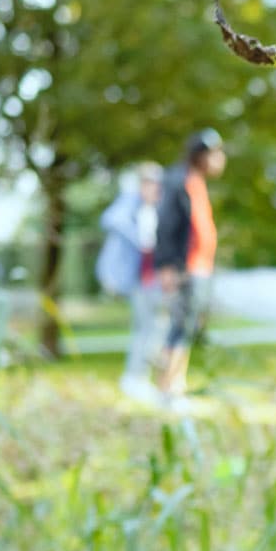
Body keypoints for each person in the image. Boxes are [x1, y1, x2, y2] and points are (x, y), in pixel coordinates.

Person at [152, 130, 227, 404]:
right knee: (178, 327)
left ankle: (175, 385)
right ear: (202, 154)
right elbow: (167, 225)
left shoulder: (197, 182)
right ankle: (167, 388)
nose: (221, 160)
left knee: (187, 327)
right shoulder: (178, 180)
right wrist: (168, 266)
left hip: (200, 267)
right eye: (216, 154)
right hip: (184, 268)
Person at [96, 163, 166, 401]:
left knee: (154, 327)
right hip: (138, 278)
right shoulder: (131, 202)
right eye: (148, 183)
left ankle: (142, 376)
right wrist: (141, 240)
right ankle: (134, 377)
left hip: (153, 278)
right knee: (146, 327)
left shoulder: (157, 208)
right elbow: (111, 220)